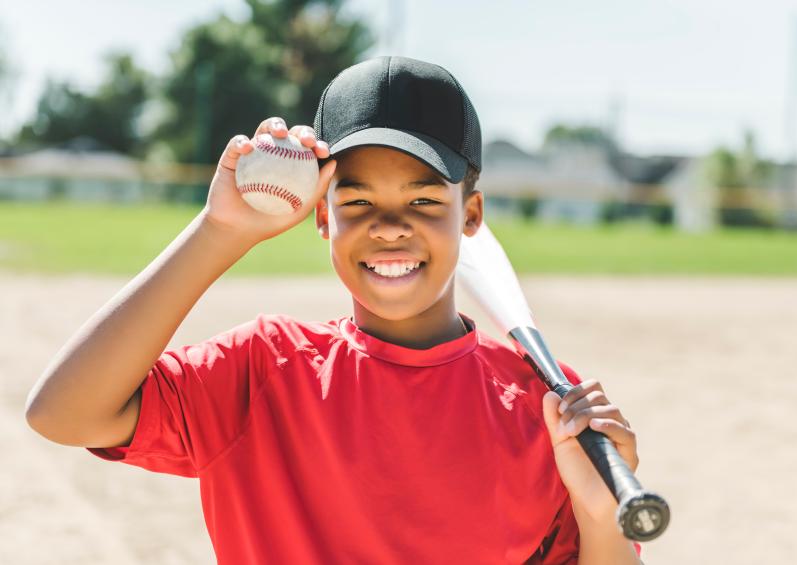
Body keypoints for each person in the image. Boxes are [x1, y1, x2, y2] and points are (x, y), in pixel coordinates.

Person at [25, 56, 642, 564]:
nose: (391, 226)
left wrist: (598, 513)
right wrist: (220, 231)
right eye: (359, 200)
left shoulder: (544, 404)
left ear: (471, 216)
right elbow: (64, 414)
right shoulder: (262, 369)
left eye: (425, 199)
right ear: (323, 215)